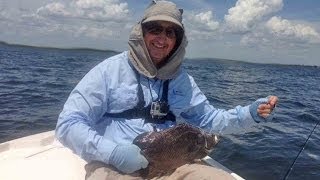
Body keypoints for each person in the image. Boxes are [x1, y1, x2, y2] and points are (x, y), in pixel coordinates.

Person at [55, 0, 278, 179]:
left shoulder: (182, 80)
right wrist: (112, 153)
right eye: (155, 29)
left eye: (171, 32)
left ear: (177, 41)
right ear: (141, 33)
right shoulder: (107, 71)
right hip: (113, 166)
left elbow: (209, 120)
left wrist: (249, 114)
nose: (162, 38)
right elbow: (69, 123)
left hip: (175, 165)